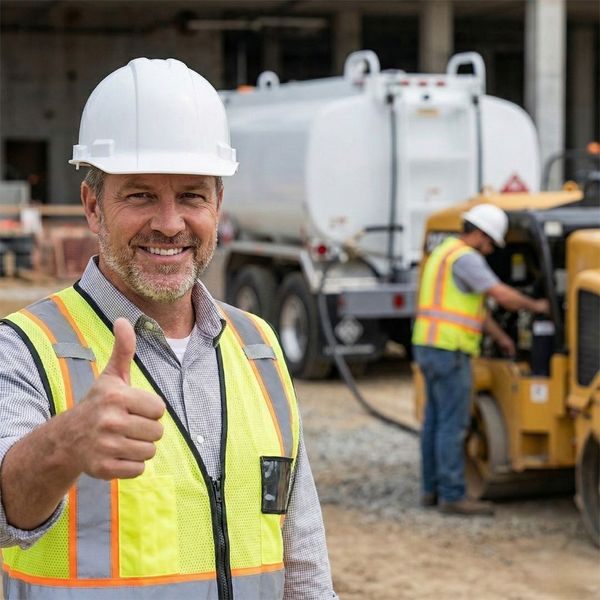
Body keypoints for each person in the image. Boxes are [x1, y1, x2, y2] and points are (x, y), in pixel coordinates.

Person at [0, 58, 337, 600]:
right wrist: (63, 445)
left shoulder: (258, 346)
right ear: (93, 207)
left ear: (218, 204)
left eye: (191, 196)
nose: (170, 223)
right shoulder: (24, 348)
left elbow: (301, 559)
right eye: (139, 195)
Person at [412, 203, 550, 516]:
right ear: (478, 234)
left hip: (429, 346)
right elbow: (500, 295)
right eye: (489, 243)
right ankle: (453, 495)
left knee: (434, 421)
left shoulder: (443, 253)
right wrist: (538, 306)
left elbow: (475, 308)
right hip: (451, 351)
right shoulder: (467, 259)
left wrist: (500, 337)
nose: (489, 251)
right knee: (453, 423)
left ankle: (430, 490)